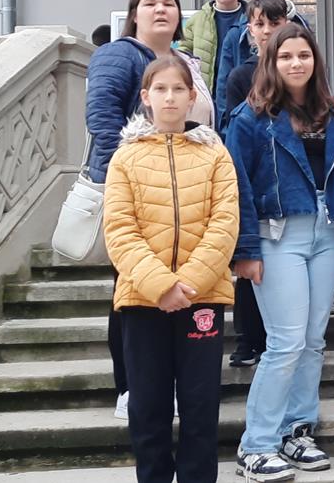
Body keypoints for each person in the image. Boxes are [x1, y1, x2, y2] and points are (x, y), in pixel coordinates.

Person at [228, 24, 334, 481]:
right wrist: (245, 249)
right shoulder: (250, 118)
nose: (295, 63)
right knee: (285, 342)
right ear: (271, 62)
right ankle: (256, 445)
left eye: (303, 55)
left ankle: (297, 431)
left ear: (315, 61)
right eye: (286, 56)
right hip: (277, 234)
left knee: (313, 340)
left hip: (328, 233)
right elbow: (237, 187)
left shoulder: (333, 114)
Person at [103, 57, 237, 483]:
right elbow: (120, 229)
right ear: (146, 97)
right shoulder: (125, 158)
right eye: (160, 89)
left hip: (202, 298)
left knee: (200, 405)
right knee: (148, 406)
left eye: (178, 89)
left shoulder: (214, 154)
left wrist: (189, 283)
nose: (170, 97)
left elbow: (224, 223)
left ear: (192, 96)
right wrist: (160, 285)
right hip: (143, 300)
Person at [88, 0, 214, 421]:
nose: (161, 10)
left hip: (190, 193)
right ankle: (130, 387)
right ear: (133, 14)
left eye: (169, 3)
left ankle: (171, 386)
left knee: (178, 288)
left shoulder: (184, 63)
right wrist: (122, 179)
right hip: (139, 193)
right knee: (133, 290)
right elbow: (102, 118)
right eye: (150, 3)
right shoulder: (119, 55)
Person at [221, 0, 294, 370]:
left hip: (290, 182)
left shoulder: (300, 69)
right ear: (250, 29)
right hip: (254, 176)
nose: (266, 31)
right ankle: (248, 338)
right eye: (259, 24)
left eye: (274, 23)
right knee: (252, 263)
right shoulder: (241, 76)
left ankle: (279, 338)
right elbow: (236, 126)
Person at [180, 0, 246, 96]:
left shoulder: (251, 17)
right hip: (207, 92)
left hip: (244, 91)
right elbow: (183, 53)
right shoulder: (197, 21)